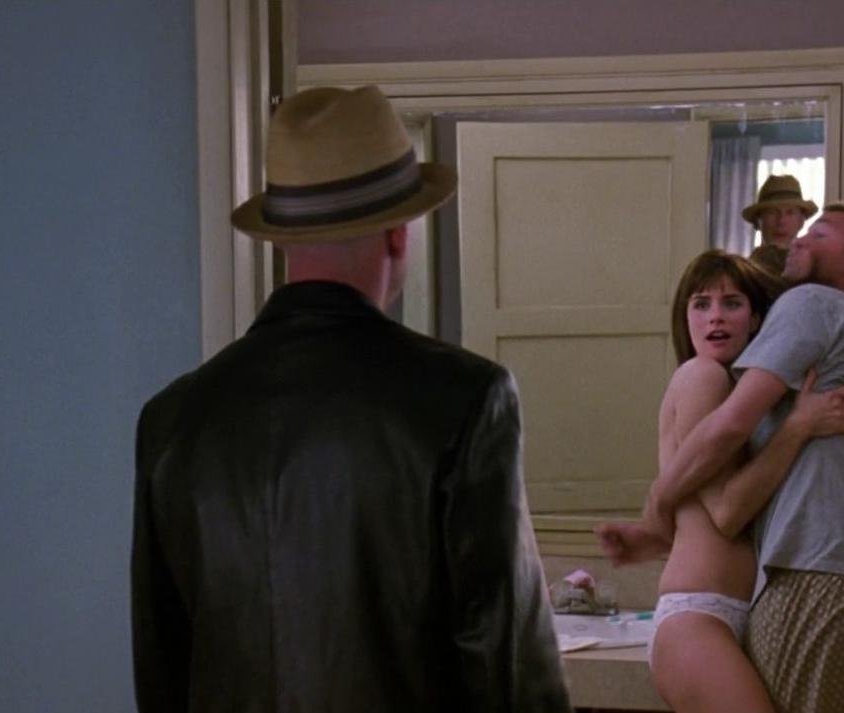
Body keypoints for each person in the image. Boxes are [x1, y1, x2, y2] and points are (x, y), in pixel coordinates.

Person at [130, 86, 571, 713]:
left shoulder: (172, 420)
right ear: (398, 234)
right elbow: (506, 669)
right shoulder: (464, 399)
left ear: (282, 239)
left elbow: (162, 671)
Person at [596, 251, 844, 713]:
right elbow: (726, 513)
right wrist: (799, 427)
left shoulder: (750, 397)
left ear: (756, 320)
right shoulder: (702, 377)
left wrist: (654, 530)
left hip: (736, 613)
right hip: (698, 614)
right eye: (701, 304)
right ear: (685, 321)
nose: (715, 316)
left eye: (732, 303)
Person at [742, 175, 818, 276]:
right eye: (772, 212)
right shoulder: (744, 274)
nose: (781, 221)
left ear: (801, 221)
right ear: (758, 221)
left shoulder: (815, 272)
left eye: (790, 212)